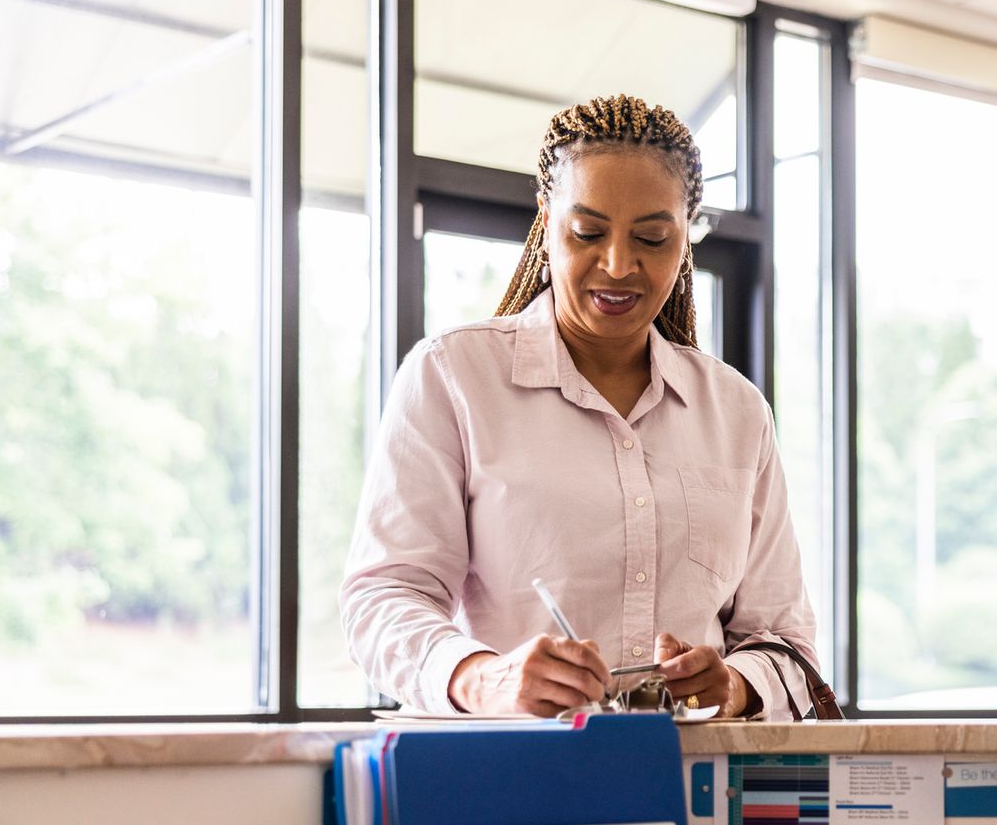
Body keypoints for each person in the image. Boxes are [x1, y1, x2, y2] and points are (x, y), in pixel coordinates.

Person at [342, 95, 819, 720]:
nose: (618, 265)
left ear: (686, 235)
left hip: (695, 790)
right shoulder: (453, 378)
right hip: (513, 779)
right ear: (547, 219)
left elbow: (785, 638)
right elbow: (383, 595)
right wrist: (483, 678)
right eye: (587, 232)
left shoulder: (736, 413)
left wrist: (733, 685)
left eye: (652, 237)